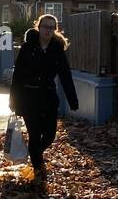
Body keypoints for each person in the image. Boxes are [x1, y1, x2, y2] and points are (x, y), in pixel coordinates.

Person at [8, 13, 79, 186]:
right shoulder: (27, 47)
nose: (48, 30)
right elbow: (17, 76)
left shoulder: (57, 49)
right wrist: (13, 101)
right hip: (29, 98)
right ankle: (39, 169)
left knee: (49, 134)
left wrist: (73, 100)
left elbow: (65, 75)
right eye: (45, 26)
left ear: (55, 30)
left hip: (48, 97)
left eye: (51, 27)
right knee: (34, 134)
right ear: (38, 27)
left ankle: (35, 156)